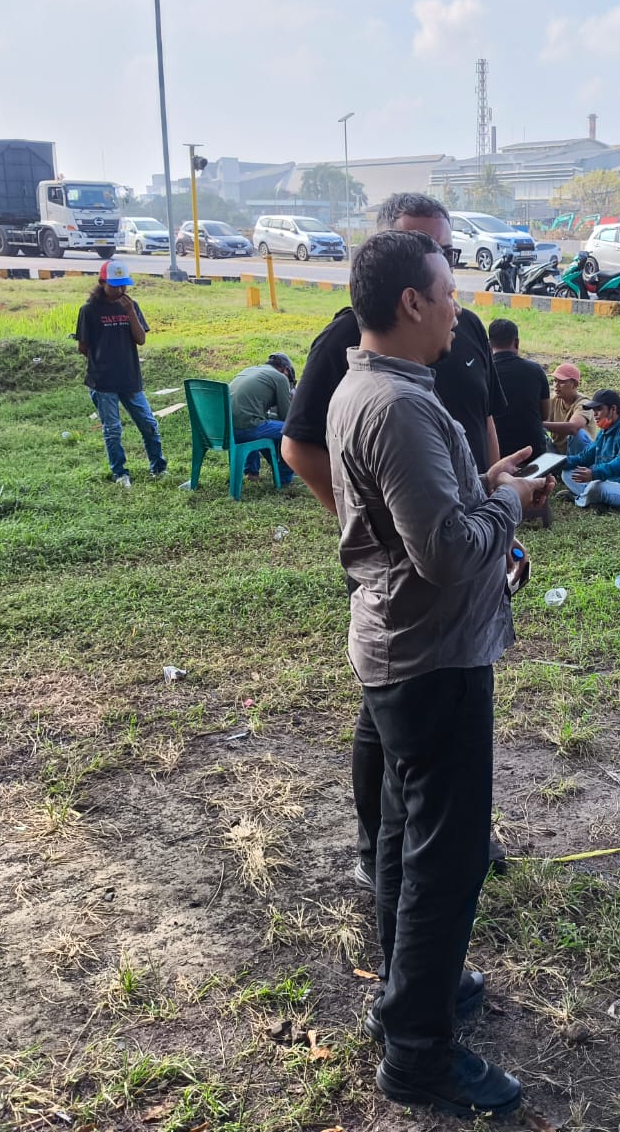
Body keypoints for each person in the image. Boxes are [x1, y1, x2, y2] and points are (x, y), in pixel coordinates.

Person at [328, 230, 544, 1118]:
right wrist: (507, 502)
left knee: (401, 841)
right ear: (412, 302)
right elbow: (448, 553)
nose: (459, 306)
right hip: (433, 658)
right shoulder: (398, 405)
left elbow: (417, 518)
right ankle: (418, 1051)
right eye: (449, 291)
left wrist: (480, 482)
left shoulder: (370, 387)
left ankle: (411, 993)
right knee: (444, 862)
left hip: (402, 649)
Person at [282, 192, 514, 893]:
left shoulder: (460, 333)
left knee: (421, 772)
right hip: (415, 589)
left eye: (445, 249)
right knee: (394, 731)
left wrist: (492, 498)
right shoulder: (358, 356)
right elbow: (302, 446)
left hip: (462, 543)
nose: (445, 271)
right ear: (402, 287)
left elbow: (482, 421)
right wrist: (374, 529)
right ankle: (394, 849)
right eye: (427, 252)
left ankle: (417, 847)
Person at [75, 260, 167, 488]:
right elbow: (83, 347)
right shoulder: (89, 310)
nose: (120, 290)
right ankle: (120, 473)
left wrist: (130, 311)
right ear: (102, 283)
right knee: (113, 430)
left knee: (148, 424)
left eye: (123, 285)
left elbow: (141, 339)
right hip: (103, 381)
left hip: (130, 378)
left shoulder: (131, 306)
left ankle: (158, 468)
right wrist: (103, 361)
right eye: (114, 286)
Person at [559, 388, 620, 509]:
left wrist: (594, 474)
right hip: (607, 483)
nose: (595, 414)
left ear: (613, 409)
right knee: (567, 472)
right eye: (593, 410)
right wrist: (560, 462)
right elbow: (584, 457)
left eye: (598, 409)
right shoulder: (604, 432)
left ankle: (580, 500)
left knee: (597, 487)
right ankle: (595, 499)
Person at [486, 318, 549, 461]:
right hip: (533, 451)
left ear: (489, 345)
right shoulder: (535, 370)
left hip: (496, 453)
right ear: (516, 342)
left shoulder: (483, 372)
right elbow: (545, 415)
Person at [229, 352, 296, 484]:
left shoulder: (249, 370)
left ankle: (251, 472)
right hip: (246, 429)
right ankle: (284, 478)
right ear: (286, 370)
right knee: (292, 430)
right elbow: (286, 417)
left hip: (226, 430)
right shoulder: (281, 378)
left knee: (254, 420)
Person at [544, 362, 595, 455]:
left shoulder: (584, 403)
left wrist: (539, 424)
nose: (556, 385)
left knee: (578, 433)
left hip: (580, 455)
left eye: (562, 382)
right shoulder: (553, 399)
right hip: (557, 452)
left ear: (575, 385)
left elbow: (573, 428)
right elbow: (541, 420)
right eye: (555, 381)